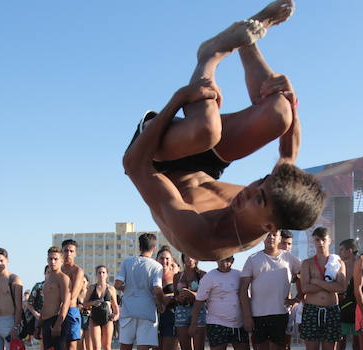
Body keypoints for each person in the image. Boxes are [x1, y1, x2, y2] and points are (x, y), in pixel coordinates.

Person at [123, 1, 325, 262]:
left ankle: (209, 55)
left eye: (259, 199)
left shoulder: (201, 235)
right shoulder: (275, 196)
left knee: (207, 130)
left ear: (269, 228)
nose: (249, 190)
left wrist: (178, 100)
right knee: (279, 114)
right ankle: (248, 40)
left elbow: (134, 165)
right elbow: (288, 155)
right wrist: (291, 99)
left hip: (152, 159)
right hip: (205, 165)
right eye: (260, 181)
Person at [241, 229, 301, 350]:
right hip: (258, 314)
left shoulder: (289, 258)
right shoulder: (253, 259)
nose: (271, 237)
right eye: (267, 234)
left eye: (274, 234)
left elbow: (304, 275)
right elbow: (243, 289)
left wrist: (299, 297)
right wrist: (246, 315)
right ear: (262, 238)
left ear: (280, 237)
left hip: (280, 313)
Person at [192, 256, 253, 350]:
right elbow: (199, 301)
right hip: (217, 322)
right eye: (221, 260)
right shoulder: (209, 276)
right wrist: (193, 323)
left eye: (228, 260)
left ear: (232, 261)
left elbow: (247, 297)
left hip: (238, 323)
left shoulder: (239, 275)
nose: (224, 263)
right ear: (216, 260)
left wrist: (248, 318)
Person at [114, 233, 165, 350]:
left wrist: (129, 290)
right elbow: (157, 289)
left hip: (128, 310)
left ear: (139, 246)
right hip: (147, 312)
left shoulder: (128, 262)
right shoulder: (156, 266)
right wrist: (162, 302)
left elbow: (118, 284)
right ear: (154, 248)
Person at [299, 227, 346, 350]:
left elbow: (342, 287)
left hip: (331, 310)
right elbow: (305, 288)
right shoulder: (307, 263)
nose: (320, 243)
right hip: (312, 309)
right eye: (316, 240)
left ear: (329, 240)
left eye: (323, 240)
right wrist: (328, 284)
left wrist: (317, 281)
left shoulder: (338, 262)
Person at [40, 246, 72, 350]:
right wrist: (39, 324)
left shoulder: (62, 278)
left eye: (55, 259)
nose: (52, 262)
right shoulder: (48, 277)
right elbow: (45, 302)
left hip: (56, 320)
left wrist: (58, 323)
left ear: (61, 260)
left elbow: (65, 303)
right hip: (46, 320)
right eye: (50, 259)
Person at [174, 254, 208, 350]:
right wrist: (179, 297)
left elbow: (206, 295)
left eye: (192, 256)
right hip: (181, 311)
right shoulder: (178, 276)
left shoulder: (203, 275)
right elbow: (175, 295)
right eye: (186, 256)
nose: (189, 259)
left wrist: (192, 294)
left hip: (198, 311)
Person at [151, 246, 179, 350]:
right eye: (161, 258)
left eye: (167, 258)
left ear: (172, 260)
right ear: (157, 260)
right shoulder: (152, 275)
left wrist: (169, 298)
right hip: (154, 316)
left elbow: (181, 293)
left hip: (171, 315)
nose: (164, 261)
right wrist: (157, 300)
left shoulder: (176, 276)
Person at [60, 240, 86, 350]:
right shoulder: (57, 270)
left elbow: (73, 294)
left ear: (75, 253)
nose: (68, 254)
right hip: (57, 312)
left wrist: (62, 308)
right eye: (65, 250)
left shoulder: (78, 271)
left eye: (71, 251)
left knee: (71, 349)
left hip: (71, 311)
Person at [335, 238, 361, 350]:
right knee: (340, 348)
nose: (339, 253)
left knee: (359, 348)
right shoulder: (338, 266)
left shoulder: (361, 264)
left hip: (358, 309)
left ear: (349, 250)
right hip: (342, 310)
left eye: (341, 249)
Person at [86, 265, 119, 350]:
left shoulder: (111, 289)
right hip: (94, 318)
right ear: (96, 274)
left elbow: (115, 305)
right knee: (96, 346)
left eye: (103, 272)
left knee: (107, 345)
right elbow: (85, 303)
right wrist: (92, 302)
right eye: (99, 272)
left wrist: (116, 315)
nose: (101, 275)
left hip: (107, 319)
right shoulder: (91, 288)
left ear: (107, 274)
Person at [24, 268, 48, 350]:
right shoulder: (38, 287)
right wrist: (36, 315)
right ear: (44, 273)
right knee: (43, 347)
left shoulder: (59, 285)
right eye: (48, 272)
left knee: (57, 347)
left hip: (56, 318)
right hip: (41, 319)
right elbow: (29, 303)